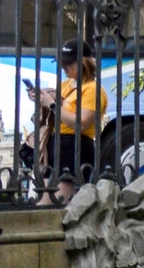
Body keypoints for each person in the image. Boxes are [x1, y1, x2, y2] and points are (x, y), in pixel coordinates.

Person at [39, 43, 103, 198]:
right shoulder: (66, 84)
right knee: (49, 200)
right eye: (62, 63)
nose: (64, 67)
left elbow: (80, 123)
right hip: (58, 144)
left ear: (83, 62)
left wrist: (52, 104)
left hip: (74, 146)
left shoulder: (93, 89)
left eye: (68, 63)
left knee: (58, 202)